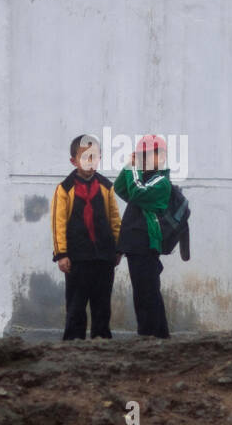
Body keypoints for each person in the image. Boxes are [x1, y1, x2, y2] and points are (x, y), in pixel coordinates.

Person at [51, 134, 122, 340]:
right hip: (77, 259)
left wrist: (117, 249)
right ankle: (73, 346)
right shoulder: (64, 189)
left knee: (102, 306)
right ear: (73, 161)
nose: (90, 163)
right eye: (84, 158)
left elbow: (115, 220)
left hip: (103, 258)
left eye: (94, 157)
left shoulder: (107, 187)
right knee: (76, 306)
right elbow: (58, 224)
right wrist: (61, 254)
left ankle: (101, 344)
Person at [115, 134, 172, 338]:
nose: (146, 158)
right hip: (135, 244)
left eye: (151, 154)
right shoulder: (141, 177)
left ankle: (149, 336)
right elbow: (120, 188)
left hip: (145, 243)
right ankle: (160, 336)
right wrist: (130, 166)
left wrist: (133, 168)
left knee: (147, 294)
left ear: (163, 157)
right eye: (143, 154)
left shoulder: (161, 181)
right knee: (146, 292)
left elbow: (137, 193)